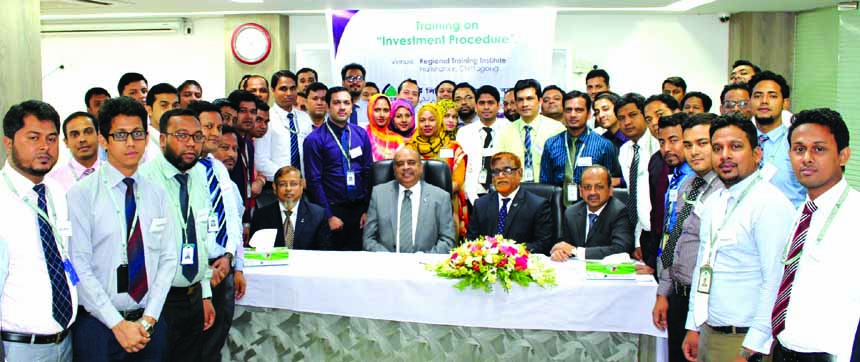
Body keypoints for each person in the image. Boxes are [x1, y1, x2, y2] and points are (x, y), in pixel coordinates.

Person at [68, 96, 177, 361]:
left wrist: (149, 319)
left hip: (149, 324)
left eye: (138, 134)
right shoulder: (81, 195)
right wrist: (117, 324)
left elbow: (168, 258)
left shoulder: (157, 193)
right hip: (99, 327)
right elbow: (78, 266)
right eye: (121, 135)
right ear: (104, 140)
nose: (131, 143)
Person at [681, 114, 794, 362]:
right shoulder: (713, 202)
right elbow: (703, 267)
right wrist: (694, 325)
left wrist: (751, 347)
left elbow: (775, 281)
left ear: (757, 154)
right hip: (709, 332)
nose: (725, 156)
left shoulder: (769, 204)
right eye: (718, 148)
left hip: (744, 341)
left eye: (735, 147)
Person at [770, 108, 858, 361]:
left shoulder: (855, 212)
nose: (806, 158)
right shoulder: (802, 211)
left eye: (819, 149)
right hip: (785, 349)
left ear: (843, 156)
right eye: (799, 149)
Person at [1, 100, 77, 361]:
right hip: (17, 348)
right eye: (34, 138)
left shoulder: (55, 191)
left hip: (65, 342)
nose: (45, 147)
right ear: (8, 142)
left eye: (52, 138)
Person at [139, 108, 216, 362]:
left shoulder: (199, 174)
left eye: (197, 136)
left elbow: (202, 236)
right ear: (162, 139)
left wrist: (204, 292)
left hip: (193, 296)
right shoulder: (145, 180)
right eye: (182, 135)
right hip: (157, 302)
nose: (191, 143)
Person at [652, 113, 724, 362]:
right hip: (678, 295)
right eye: (688, 144)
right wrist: (664, 291)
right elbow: (675, 239)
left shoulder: (725, 191)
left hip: (707, 303)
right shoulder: (688, 184)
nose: (694, 151)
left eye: (702, 143)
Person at [187, 101, 245, 362]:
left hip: (225, 267)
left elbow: (233, 219)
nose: (214, 132)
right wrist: (206, 272)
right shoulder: (184, 171)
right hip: (199, 273)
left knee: (215, 343)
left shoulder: (218, 168)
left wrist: (235, 262)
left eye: (218, 127)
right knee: (194, 346)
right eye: (207, 126)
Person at [303, 86, 373, 251]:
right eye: (336, 103)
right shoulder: (314, 140)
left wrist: (367, 210)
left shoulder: (361, 134)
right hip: (332, 210)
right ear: (327, 106)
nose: (342, 107)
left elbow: (369, 172)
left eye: (346, 103)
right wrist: (328, 216)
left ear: (351, 106)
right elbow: (314, 181)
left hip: (360, 211)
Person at [363, 147, 455, 253]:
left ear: (421, 167)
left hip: (425, 266)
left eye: (411, 163)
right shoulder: (379, 194)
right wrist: (388, 259)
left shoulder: (441, 197)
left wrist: (424, 260)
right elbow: (368, 240)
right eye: (400, 164)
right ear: (394, 169)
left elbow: (448, 241)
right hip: (387, 265)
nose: (405, 167)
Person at [540, 90, 621, 206]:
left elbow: (610, 186)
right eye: (568, 110)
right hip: (558, 211)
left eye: (579, 110)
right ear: (563, 113)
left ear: (588, 114)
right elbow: (546, 186)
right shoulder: (551, 144)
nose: (573, 115)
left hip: (593, 211)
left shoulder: (604, 145)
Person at [467, 152, 552, 254]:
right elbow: (471, 241)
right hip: (487, 264)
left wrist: (507, 251)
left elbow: (543, 245)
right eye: (496, 171)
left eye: (507, 170)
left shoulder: (537, 205)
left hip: (523, 265)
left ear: (520, 173)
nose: (500, 176)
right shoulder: (481, 204)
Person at [406, 103, 468, 242]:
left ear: (439, 121)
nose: (427, 124)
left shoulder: (453, 147)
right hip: (414, 207)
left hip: (447, 206)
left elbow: (457, 182)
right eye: (422, 120)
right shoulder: (409, 148)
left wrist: (432, 197)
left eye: (432, 119)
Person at [550, 165, 634, 261]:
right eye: (587, 187)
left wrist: (576, 251)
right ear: (581, 191)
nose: (592, 192)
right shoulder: (571, 213)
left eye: (599, 187)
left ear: (610, 190)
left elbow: (621, 249)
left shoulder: (620, 212)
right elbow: (565, 245)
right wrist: (559, 252)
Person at [749, 71, 806, 207]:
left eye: (772, 96)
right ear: (750, 101)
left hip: (788, 223)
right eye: (758, 96)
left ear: (785, 103)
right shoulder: (741, 142)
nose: (764, 101)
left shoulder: (797, 143)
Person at [616, 93, 660, 267]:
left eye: (633, 115)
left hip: (662, 232)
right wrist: (637, 239)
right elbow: (633, 197)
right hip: (644, 232)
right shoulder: (625, 151)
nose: (627, 122)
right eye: (621, 118)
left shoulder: (658, 146)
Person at [497, 79, 565, 183]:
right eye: (520, 100)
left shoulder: (557, 129)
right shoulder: (505, 132)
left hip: (547, 192)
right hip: (514, 191)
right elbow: (499, 167)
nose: (524, 104)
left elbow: (562, 168)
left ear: (540, 101)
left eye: (529, 99)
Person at [250, 166, 331, 250]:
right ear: (274, 188)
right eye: (283, 184)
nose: (288, 189)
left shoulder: (318, 215)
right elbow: (254, 251)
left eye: (293, 184)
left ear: (301, 186)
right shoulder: (261, 216)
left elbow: (324, 252)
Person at [256, 70, 314, 185]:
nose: (289, 93)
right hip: (276, 185)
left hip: (304, 185)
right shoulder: (266, 119)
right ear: (273, 91)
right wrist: (288, 179)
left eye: (293, 88)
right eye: (283, 89)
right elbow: (260, 160)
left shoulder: (305, 118)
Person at [644, 95, 681, 271]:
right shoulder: (656, 161)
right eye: (648, 119)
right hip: (661, 247)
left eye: (659, 114)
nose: (654, 123)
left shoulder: (697, 170)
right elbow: (656, 212)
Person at [457, 85, 510, 204]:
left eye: (490, 103)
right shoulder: (464, 132)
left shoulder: (509, 129)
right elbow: (461, 167)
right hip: (472, 193)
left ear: (498, 106)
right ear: (476, 106)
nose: (486, 107)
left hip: (503, 192)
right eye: (482, 103)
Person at [227, 90, 264, 223]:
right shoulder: (225, 145)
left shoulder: (248, 143)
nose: (249, 116)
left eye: (253, 112)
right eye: (243, 111)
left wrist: (246, 220)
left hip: (245, 212)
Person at [47, 112, 102, 192]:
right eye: (75, 135)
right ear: (66, 142)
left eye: (88, 132)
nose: (82, 139)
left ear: (99, 136)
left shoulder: (115, 173)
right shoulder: (53, 181)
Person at [142, 83, 179, 163]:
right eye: (164, 105)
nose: (171, 110)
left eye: (175, 106)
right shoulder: (142, 142)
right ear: (149, 110)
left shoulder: (184, 139)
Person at [366, 94, 403, 161]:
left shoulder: (397, 139)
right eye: (377, 110)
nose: (381, 115)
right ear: (370, 110)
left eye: (386, 110)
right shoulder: (362, 135)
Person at [341, 63, 370, 127]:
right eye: (350, 78)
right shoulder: (336, 109)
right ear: (343, 82)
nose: (355, 82)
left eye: (359, 78)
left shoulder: (371, 108)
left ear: (364, 83)